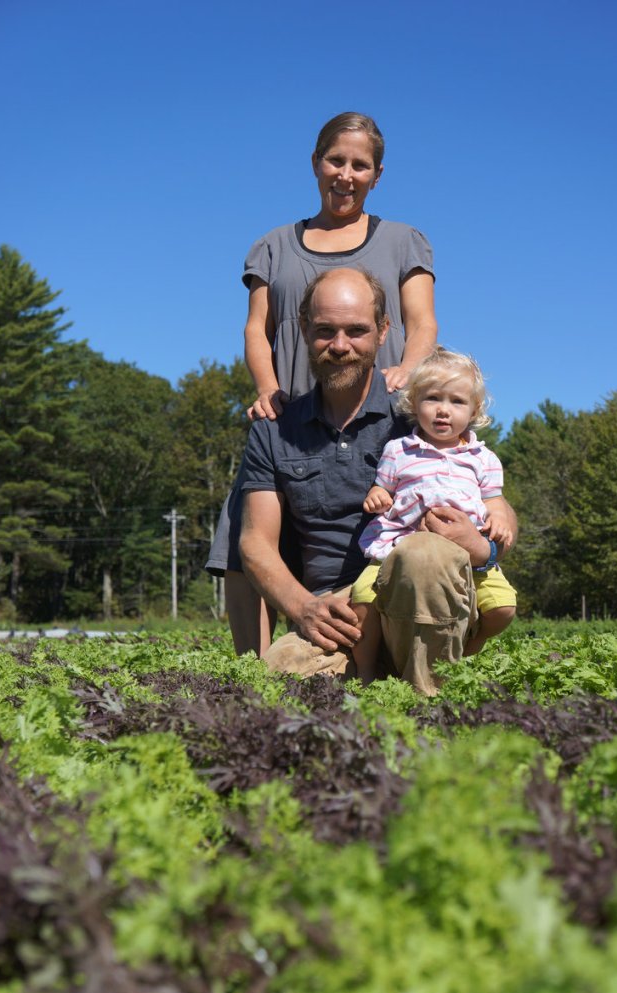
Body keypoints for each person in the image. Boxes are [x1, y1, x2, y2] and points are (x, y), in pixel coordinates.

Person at [206, 111, 437, 656]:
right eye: (336, 160)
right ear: (316, 164)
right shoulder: (274, 246)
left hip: (372, 415)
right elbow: (256, 329)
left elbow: (423, 322)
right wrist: (267, 388)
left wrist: (409, 369)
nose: (346, 174)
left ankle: (395, 651)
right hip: (291, 420)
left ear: (376, 175)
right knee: (247, 533)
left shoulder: (403, 241)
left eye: (361, 165)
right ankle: (252, 670)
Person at [238, 267, 517, 696]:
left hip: (421, 591)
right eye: (325, 330)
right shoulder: (274, 429)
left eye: (356, 330)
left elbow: (491, 496)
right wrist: (304, 607)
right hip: (341, 616)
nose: (340, 345)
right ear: (304, 328)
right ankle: (381, 679)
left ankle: (433, 704)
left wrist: (485, 546)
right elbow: (255, 542)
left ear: (384, 332)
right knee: (279, 678)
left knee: (422, 553)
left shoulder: (418, 413)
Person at [349, 348, 517, 683]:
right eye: (432, 399)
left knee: (503, 608)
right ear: (413, 404)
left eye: (456, 401)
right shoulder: (398, 450)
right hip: (397, 547)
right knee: (362, 600)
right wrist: (377, 496)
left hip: (466, 555)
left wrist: (497, 519)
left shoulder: (482, 459)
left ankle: (471, 648)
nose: (443, 410)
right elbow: (382, 487)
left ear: (474, 410)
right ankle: (365, 668)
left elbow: (494, 499)